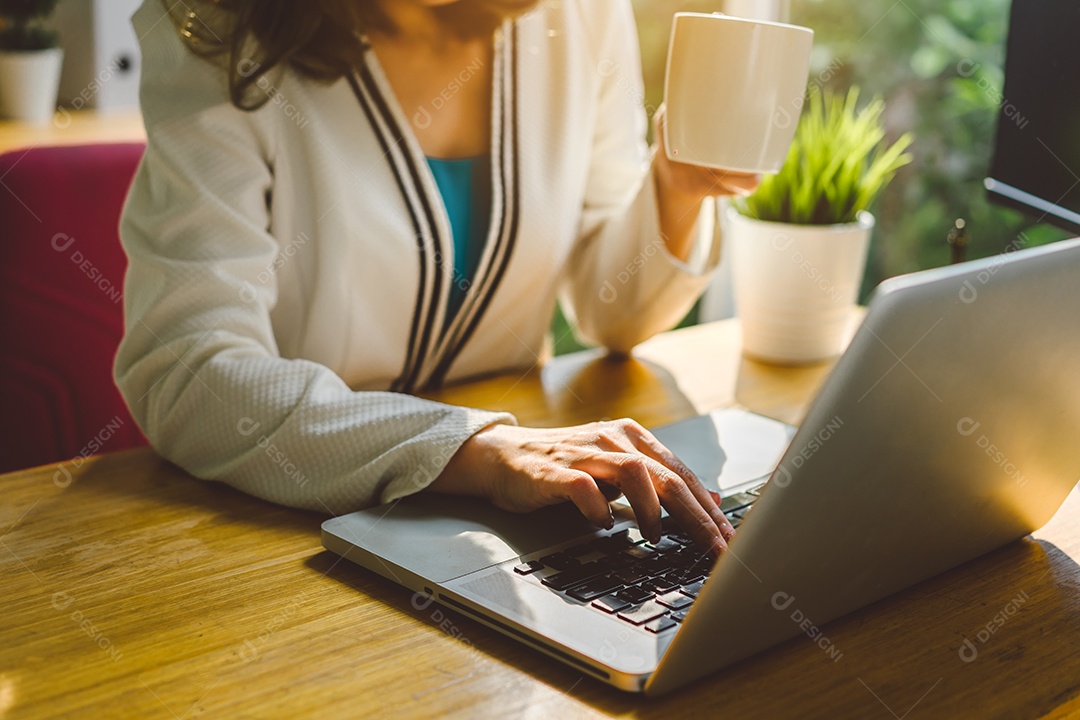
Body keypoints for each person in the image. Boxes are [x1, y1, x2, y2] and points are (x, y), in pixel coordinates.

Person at [115, 0, 760, 555]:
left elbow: (608, 311)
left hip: (510, 531)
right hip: (280, 531)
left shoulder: (577, 13)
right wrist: (479, 450)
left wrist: (673, 196)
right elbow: (185, 369)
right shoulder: (217, 31)